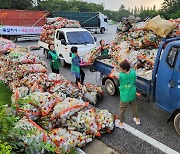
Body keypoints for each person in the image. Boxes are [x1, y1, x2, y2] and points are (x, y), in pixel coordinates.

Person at [118, 60, 140, 128]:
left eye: (120, 68)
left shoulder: (121, 75)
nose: (119, 69)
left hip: (125, 95)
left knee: (122, 109)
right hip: (132, 93)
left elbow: (120, 82)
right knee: (134, 107)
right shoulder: (133, 73)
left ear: (124, 70)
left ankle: (121, 123)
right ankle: (137, 120)